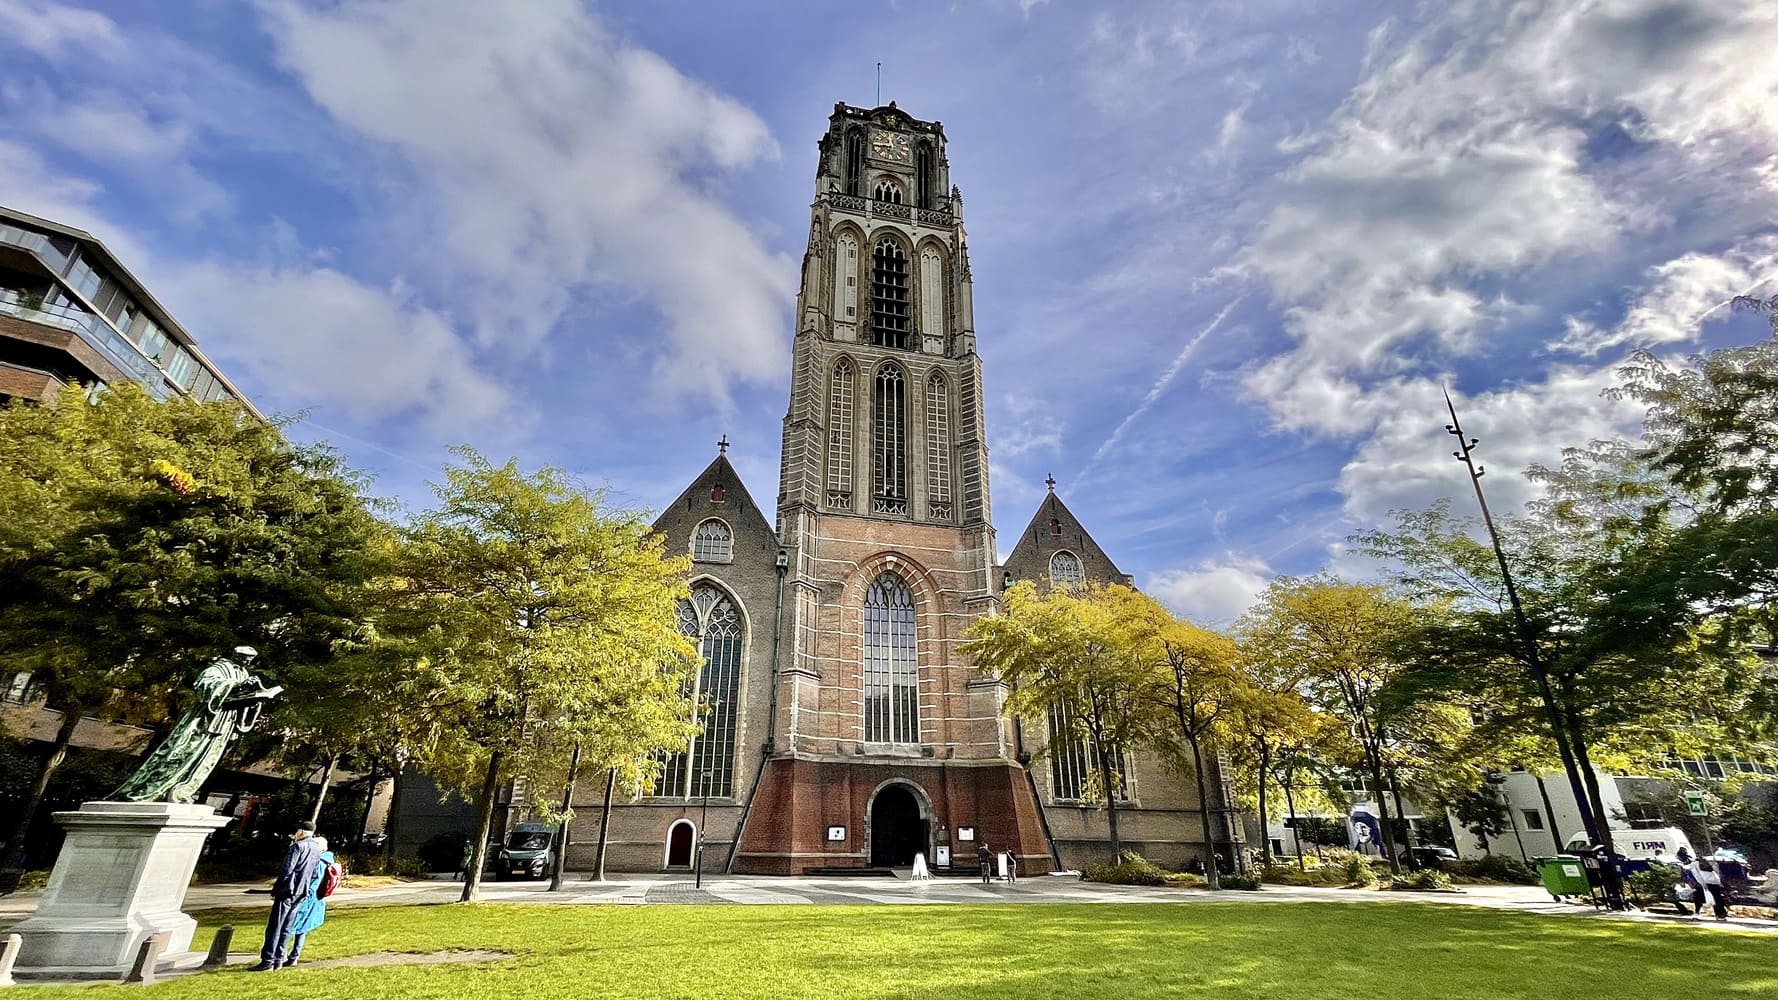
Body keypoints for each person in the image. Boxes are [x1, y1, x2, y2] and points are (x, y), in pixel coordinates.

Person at [253, 821, 323, 971]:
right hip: (301, 891)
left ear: (301, 832)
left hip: (287, 891)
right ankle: (279, 958)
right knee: (288, 927)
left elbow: (287, 870)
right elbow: (314, 874)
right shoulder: (316, 849)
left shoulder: (297, 847)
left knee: (275, 926)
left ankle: (268, 960)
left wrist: (278, 889)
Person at [284, 836, 335, 967]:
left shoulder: (319, 862)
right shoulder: (328, 860)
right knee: (302, 928)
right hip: (317, 899)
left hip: (309, 898)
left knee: (290, 924)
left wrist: (303, 895)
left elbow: (314, 881)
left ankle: (283, 955)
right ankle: (293, 956)